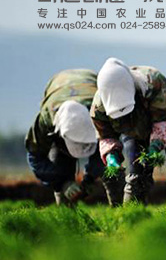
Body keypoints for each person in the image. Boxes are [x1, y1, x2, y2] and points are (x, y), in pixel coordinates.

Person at [91, 57, 166, 213]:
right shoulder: (98, 109)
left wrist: (155, 145)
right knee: (135, 173)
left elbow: (162, 121)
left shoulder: (152, 82)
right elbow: (106, 136)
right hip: (133, 128)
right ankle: (131, 218)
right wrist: (111, 155)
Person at [25, 69, 113, 206]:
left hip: (90, 82)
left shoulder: (101, 112)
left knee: (112, 168)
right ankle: (66, 214)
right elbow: (35, 157)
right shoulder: (46, 119)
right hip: (57, 85)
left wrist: (89, 179)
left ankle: (121, 210)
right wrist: (62, 183)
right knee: (61, 167)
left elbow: (107, 147)